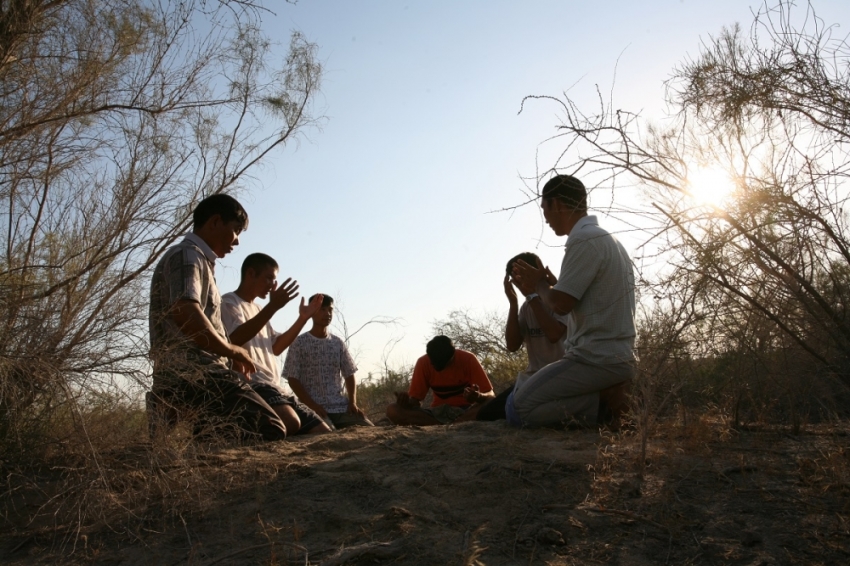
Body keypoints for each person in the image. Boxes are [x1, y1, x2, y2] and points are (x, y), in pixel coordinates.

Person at [148, 194, 286, 441]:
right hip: (195, 376)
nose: (236, 241)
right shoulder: (187, 255)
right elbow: (186, 312)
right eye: (235, 230)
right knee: (269, 427)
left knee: (224, 431)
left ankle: (193, 435)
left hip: (199, 376)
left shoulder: (199, 260)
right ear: (215, 222)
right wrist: (232, 351)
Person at [509, 174, 636, 429]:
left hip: (596, 358)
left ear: (556, 204)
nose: (545, 218)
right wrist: (550, 286)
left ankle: (604, 400)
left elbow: (560, 304)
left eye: (544, 209)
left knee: (519, 407)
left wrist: (538, 286)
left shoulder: (583, 239)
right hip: (615, 356)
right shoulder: (606, 238)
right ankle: (604, 399)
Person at [220, 253, 332, 436]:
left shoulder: (258, 309)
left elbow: (276, 347)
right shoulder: (229, 302)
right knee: (290, 422)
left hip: (275, 386)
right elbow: (235, 339)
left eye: (275, 279)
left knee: (322, 432)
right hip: (254, 385)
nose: (273, 285)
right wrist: (273, 307)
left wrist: (303, 319)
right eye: (269, 278)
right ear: (250, 274)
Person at [473, 252, 569, 421]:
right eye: (515, 277)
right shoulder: (527, 307)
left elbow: (554, 334)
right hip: (533, 377)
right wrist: (513, 303)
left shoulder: (559, 297)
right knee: (487, 414)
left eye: (522, 274)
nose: (520, 281)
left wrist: (532, 296)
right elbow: (512, 345)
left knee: (516, 412)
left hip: (562, 375)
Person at [282, 295, 373, 429]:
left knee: (369, 429)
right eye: (322, 309)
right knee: (328, 433)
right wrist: (312, 406)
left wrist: (352, 402)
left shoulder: (337, 343)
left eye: (330, 310)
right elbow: (292, 379)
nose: (327, 313)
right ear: (312, 312)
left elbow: (349, 373)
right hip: (313, 409)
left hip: (340, 407)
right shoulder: (298, 343)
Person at [386, 335, 495, 426]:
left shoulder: (468, 359)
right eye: (432, 361)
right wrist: (405, 402)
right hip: (437, 413)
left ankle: (454, 424)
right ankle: (451, 425)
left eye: (440, 362)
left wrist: (478, 396)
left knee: (491, 402)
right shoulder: (423, 362)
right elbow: (415, 401)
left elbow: (490, 395)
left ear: (452, 356)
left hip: (466, 410)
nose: (434, 365)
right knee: (393, 409)